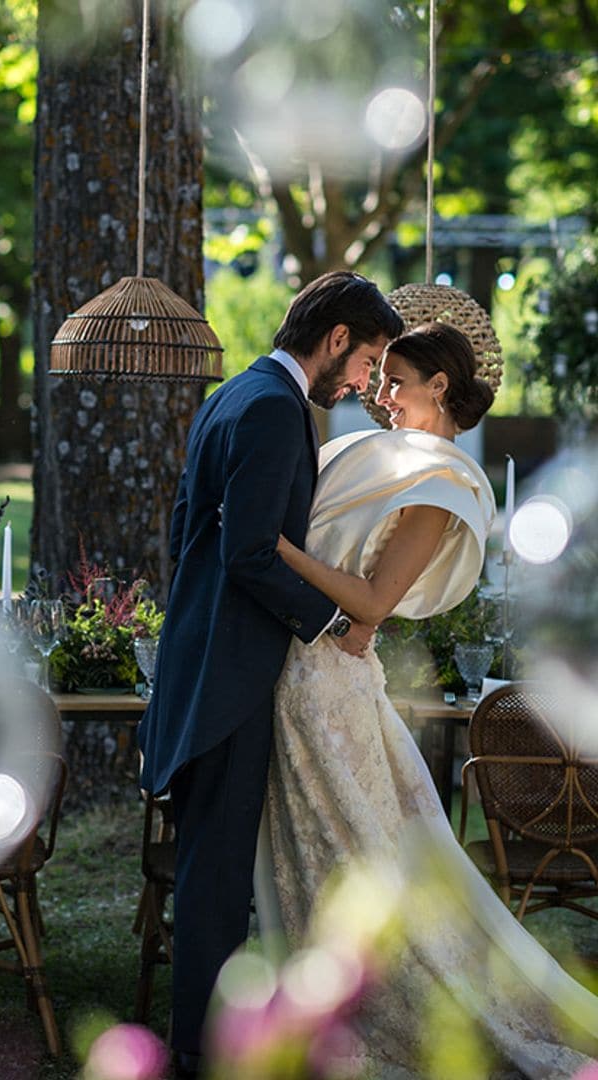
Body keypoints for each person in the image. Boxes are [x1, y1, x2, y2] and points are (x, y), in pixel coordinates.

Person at [256, 321, 598, 1076]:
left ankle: (374, 1005)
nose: (379, 398)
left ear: (439, 386)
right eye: (379, 381)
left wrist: (271, 548)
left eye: (395, 382)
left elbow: (374, 601)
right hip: (314, 669)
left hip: (328, 681)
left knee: (359, 850)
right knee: (338, 844)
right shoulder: (394, 460)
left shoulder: (439, 483)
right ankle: (324, 999)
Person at [137, 269, 404, 1075]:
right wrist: (334, 624)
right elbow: (249, 551)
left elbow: (190, 536)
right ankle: (200, 1050)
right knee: (216, 879)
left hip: (206, 663)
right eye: (367, 362)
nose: (364, 382)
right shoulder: (272, 413)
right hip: (230, 679)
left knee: (214, 872)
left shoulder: (233, 398)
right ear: (335, 341)